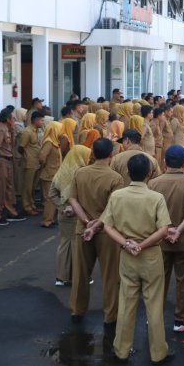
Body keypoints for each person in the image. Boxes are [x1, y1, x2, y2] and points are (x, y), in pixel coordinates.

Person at [101, 153, 175, 365]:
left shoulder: (118, 196)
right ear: (149, 174)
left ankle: (121, 350)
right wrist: (142, 245)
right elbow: (164, 230)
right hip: (150, 255)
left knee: (126, 302)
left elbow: (107, 226)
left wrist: (126, 243)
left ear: (127, 172)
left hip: (127, 256)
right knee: (154, 304)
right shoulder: (155, 197)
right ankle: (158, 352)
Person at [67, 138, 124, 326]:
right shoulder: (115, 178)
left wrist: (85, 221)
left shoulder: (80, 173)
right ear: (111, 155)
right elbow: (112, 208)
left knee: (81, 273)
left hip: (82, 229)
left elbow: (73, 200)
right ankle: (110, 315)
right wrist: (97, 224)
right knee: (110, 276)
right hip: (106, 232)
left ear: (92, 153)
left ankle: (77, 310)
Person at [149, 145, 184, 333]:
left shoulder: (154, 183)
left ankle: (154, 317)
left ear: (165, 161)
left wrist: (166, 230)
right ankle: (181, 319)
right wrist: (178, 230)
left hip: (159, 241)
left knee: (158, 280)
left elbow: (150, 213)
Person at [50, 145, 92, 286]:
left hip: (63, 215)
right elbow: (86, 196)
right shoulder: (83, 173)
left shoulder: (61, 171)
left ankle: (61, 277)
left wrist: (63, 208)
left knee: (64, 244)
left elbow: (52, 194)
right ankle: (77, 277)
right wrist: (76, 208)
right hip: (78, 215)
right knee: (77, 246)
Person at [0, 110, 27, 226]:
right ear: (7, 119)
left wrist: (12, 130)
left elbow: (11, 145)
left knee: (9, 188)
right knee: (0, 189)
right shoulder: (1, 129)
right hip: (0, 160)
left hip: (7, 160)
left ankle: (11, 212)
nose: (14, 121)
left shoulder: (7, 129)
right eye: (12, 119)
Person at [19, 111, 44, 216]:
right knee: (27, 187)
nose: (43, 122)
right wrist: (27, 157)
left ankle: (32, 205)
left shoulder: (37, 130)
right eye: (41, 120)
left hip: (37, 162)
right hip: (29, 162)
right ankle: (27, 207)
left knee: (33, 186)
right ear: (36, 120)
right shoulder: (27, 132)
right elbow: (21, 147)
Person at [39, 121, 64, 229]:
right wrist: (45, 166)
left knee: (53, 197)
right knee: (49, 198)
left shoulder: (54, 141)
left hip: (54, 174)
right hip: (49, 174)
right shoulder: (49, 142)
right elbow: (42, 157)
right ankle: (46, 220)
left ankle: (50, 218)